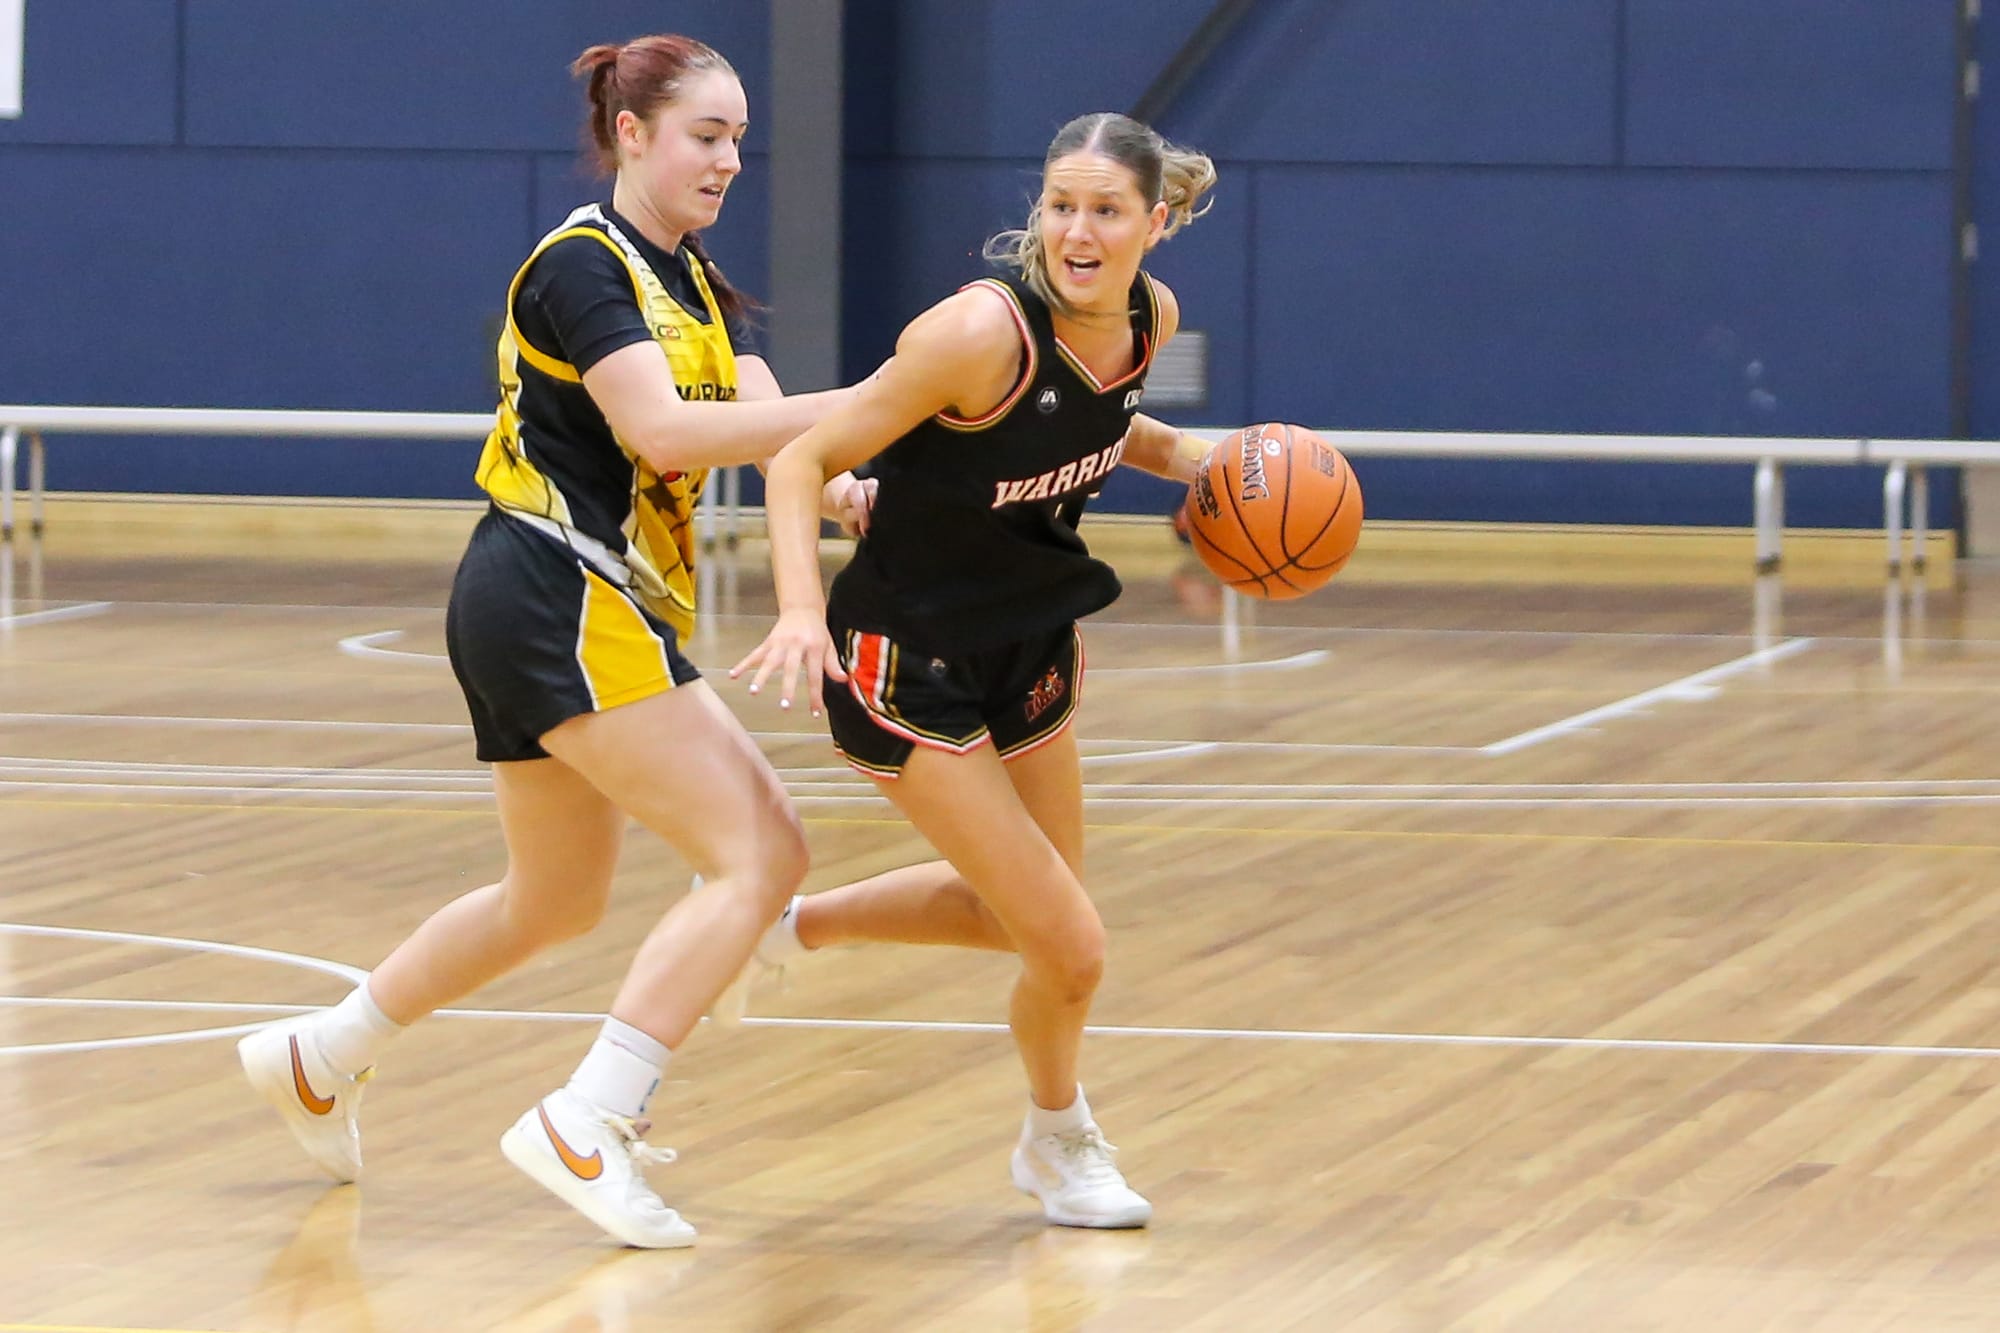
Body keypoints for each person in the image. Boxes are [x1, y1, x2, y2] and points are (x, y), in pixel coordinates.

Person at [237, 34, 875, 1250]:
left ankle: (323, 1056)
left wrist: (847, 475)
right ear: (629, 133)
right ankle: (591, 1119)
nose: (731, 158)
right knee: (760, 854)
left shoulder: (689, 281)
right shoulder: (581, 268)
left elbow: (758, 412)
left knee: (554, 897)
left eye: (741, 136)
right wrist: (870, 403)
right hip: (554, 587)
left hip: (552, 599)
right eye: (706, 134)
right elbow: (670, 436)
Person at [731, 111, 1219, 1230]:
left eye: (1103, 210)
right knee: (1072, 943)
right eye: (1059, 204)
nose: (1076, 230)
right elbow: (804, 458)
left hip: (1026, 642)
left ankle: (789, 925)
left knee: (1028, 924)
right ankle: (1057, 1141)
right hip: (903, 656)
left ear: (1153, 221)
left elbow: (1101, 424)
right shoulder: (974, 336)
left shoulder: (1148, 320)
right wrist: (799, 610)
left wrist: (1196, 456)